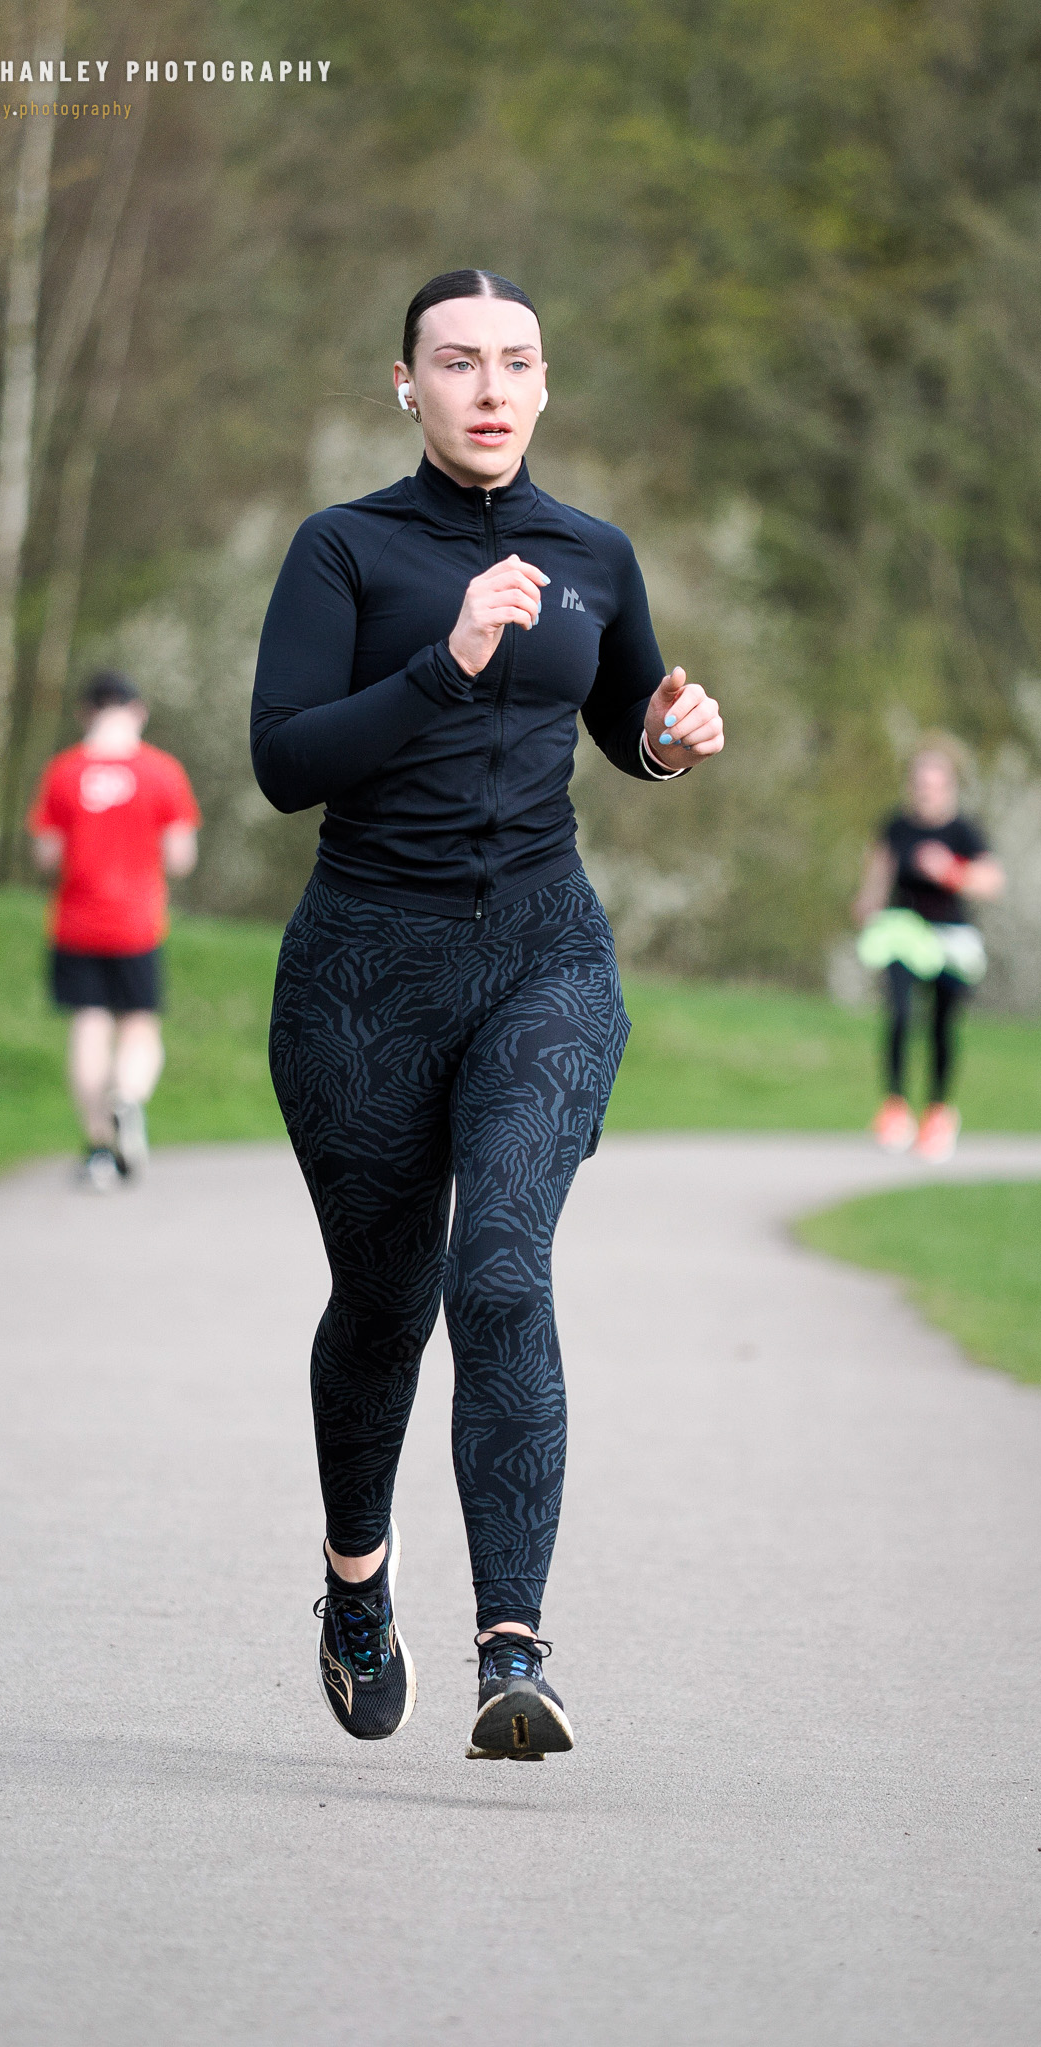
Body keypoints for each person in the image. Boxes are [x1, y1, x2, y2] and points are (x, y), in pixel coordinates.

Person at [250, 268, 725, 1761]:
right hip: (363, 976)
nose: (491, 387)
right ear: (409, 384)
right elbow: (285, 762)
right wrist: (442, 662)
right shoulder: (344, 550)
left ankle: (512, 1648)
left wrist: (667, 741)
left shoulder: (594, 553)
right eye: (457, 361)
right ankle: (355, 1585)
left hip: (542, 957)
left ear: (545, 382)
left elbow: (625, 720)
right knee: (385, 1303)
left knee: (503, 1271)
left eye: (516, 360)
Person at [29, 672, 200, 1190]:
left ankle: (99, 1148)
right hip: (137, 924)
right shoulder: (162, 771)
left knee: (89, 1026)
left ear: (85, 713)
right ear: (138, 711)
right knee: (140, 1026)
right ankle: (128, 1097)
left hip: (76, 923)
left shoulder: (64, 770)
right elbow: (180, 857)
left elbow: (45, 854)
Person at [853, 741, 1004, 1162]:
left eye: (934, 786)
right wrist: (867, 903)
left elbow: (992, 882)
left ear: (949, 787)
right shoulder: (896, 826)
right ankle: (895, 1107)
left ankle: (938, 1112)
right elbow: (879, 870)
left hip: (950, 939)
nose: (926, 793)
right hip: (903, 932)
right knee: (900, 1014)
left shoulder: (964, 831)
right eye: (920, 785)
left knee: (941, 1025)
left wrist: (950, 870)